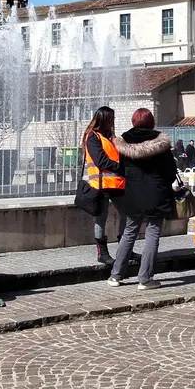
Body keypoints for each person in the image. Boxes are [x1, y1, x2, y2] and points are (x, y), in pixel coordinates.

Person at [108, 108, 177, 289]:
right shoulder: (160, 143)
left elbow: (119, 169)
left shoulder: (123, 142)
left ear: (133, 121)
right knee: (152, 233)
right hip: (156, 193)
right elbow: (171, 171)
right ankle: (145, 278)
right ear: (151, 121)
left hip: (133, 193)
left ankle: (115, 275)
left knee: (129, 232)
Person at [80, 106, 125, 265]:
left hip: (115, 183)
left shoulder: (109, 137)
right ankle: (102, 253)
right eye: (110, 119)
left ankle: (125, 249)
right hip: (100, 184)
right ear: (103, 119)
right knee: (101, 218)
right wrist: (122, 167)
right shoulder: (92, 137)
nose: (113, 122)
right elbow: (101, 161)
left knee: (127, 214)